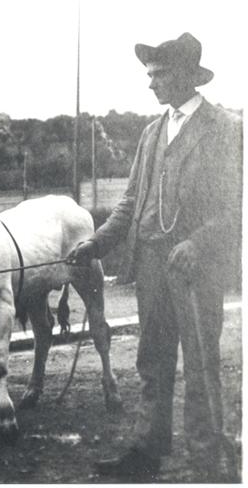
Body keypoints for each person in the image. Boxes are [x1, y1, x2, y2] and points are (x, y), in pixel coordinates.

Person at [67, 33, 242, 481]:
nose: (150, 83)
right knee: (153, 360)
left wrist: (198, 242)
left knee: (200, 364)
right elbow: (130, 203)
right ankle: (146, 452)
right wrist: (96, 244)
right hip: (150, 266)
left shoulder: (225, 128)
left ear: (185, 75)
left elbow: (235, 206)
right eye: (149, 75)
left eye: (158, 74)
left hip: (195, 269)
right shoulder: (151, 133)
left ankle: (207, 459)